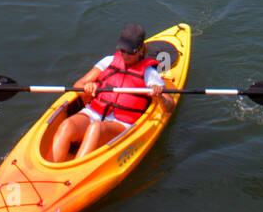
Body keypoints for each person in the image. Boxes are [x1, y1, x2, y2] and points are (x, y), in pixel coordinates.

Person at [50, 24, 174, 162]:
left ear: (139, 50)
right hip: (93, 113)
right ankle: (51, 169)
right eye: (122, 50)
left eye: (130, 52)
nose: (125, 55)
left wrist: (159, 96)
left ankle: (73, 172)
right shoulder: (108, 61)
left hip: (121, 123)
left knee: (96, 128)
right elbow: (78, 85)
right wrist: (86, 88)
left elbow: (170, 106)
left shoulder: (149, 73)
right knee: (67, 125)